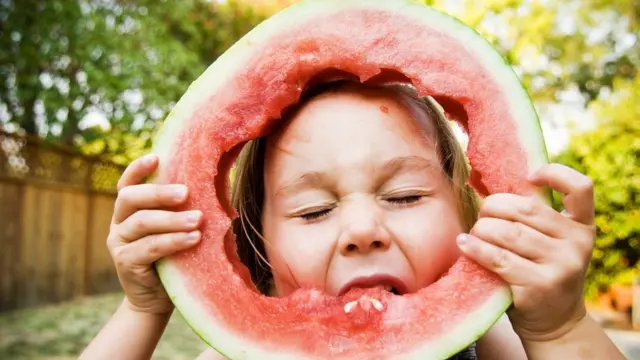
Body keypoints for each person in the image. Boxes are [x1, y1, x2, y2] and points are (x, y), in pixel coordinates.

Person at [80, 81, 625, 360]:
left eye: (406, 196)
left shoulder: (496, 347)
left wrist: (560, 328)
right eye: (314, 210)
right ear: (259, 240)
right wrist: (142, 310)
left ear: (466, 212)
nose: (364, 231)